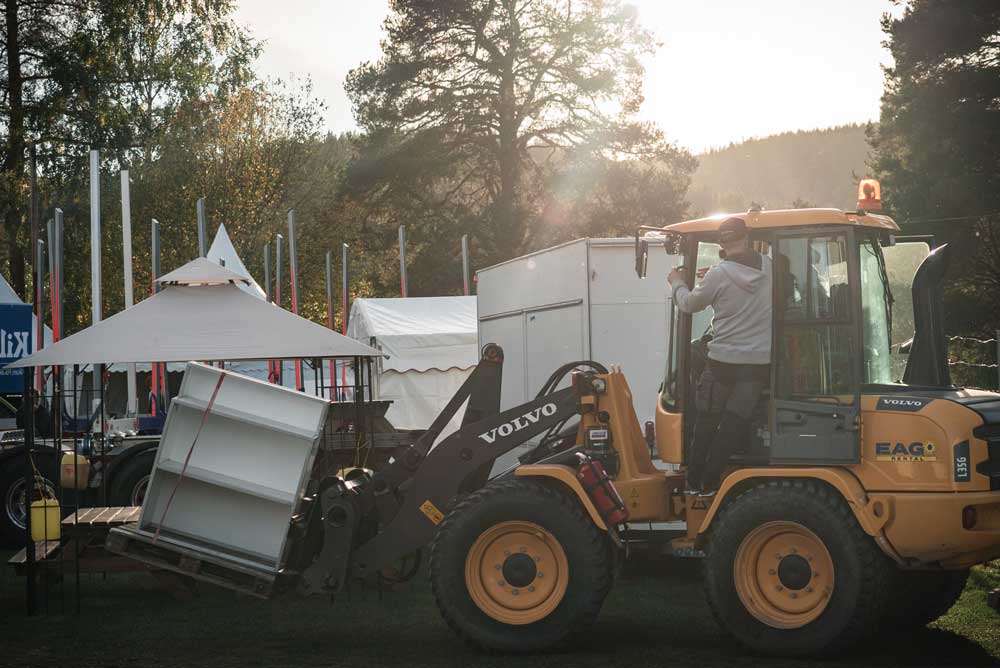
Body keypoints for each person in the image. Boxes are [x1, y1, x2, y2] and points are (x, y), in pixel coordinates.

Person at [667, 217, 772, 495]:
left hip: (724, 363)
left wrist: (677, 283)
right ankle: (711, 483)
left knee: (707, 420)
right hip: (758, 365)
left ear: (721, 243)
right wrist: (714, 274)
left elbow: (689, 304)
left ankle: (693, 482)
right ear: (746, 237)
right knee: (732, 426)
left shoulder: (719, 274)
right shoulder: (770, 268)